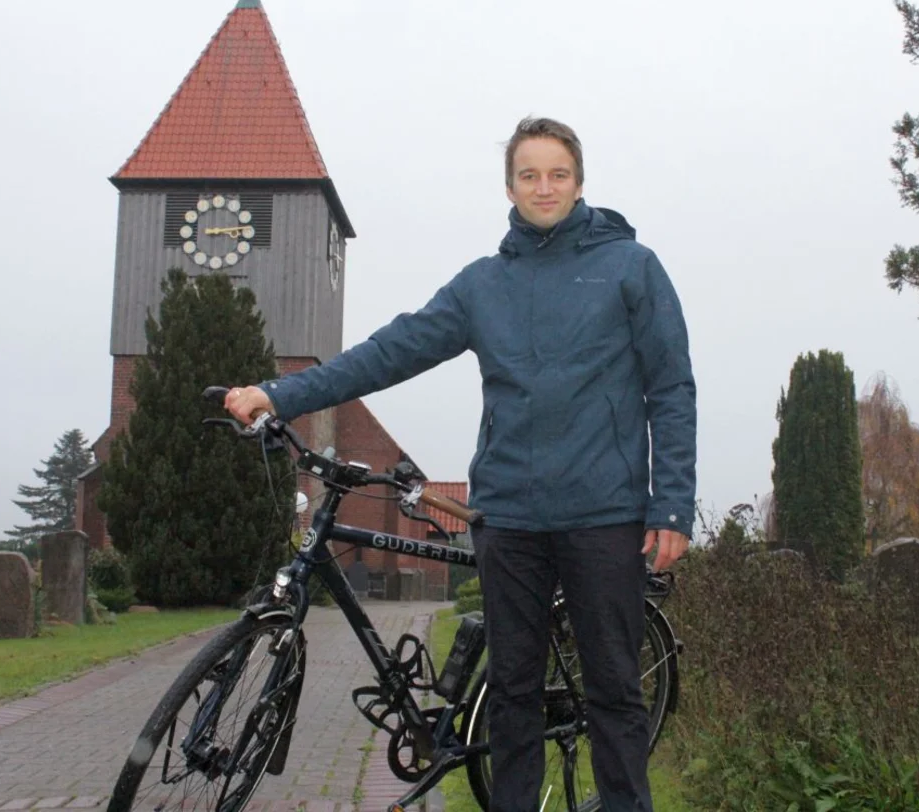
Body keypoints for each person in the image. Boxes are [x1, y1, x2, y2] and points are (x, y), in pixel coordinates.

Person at [225, 116, 696, 812]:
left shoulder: (632, 267)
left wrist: (672, 504)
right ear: (509, 186)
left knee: (615, 694)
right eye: (529, 174)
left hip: (604, 514)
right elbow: (389, 352)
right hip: (509, 520)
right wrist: (280, 393)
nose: (545, 186)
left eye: (558, 173)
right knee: (511, 695)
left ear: (580, 181)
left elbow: (671, 385)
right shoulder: (484, 286)